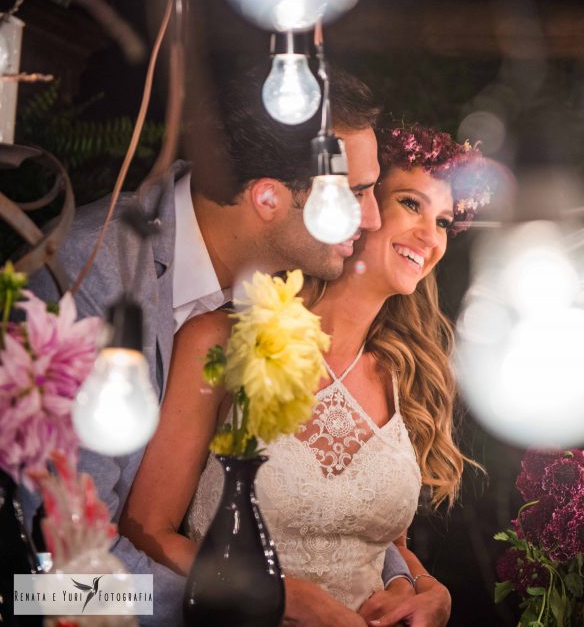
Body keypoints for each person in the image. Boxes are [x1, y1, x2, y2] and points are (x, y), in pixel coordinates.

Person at [26, 65, 433, 625]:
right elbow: (52, 583)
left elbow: (310, 502)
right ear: (267, 197)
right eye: (356, 193)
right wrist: (262, 603)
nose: (369, 216)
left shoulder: (275, 289)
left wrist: (405, 578)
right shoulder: (86, 280)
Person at [121, 125, 486, 627]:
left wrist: (425, 589)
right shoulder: (225, 341)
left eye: (444, 221)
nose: (430, 236)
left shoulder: (405, 374)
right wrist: (271, 594)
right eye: (411, 204)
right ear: (357, 209)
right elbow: (148, 530)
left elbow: (381, 541)